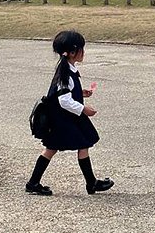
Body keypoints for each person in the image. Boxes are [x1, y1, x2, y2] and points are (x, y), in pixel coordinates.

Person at [25, 30, 114, 197]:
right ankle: (34, 183)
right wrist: (84, 109)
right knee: (56, 148)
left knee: (77, 145)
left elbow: (67, 94)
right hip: (63, 120)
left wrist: (82, 93)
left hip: (65, 118)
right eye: (81, 49)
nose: (84, 52)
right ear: (73, 52)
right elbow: (64, 101)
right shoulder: (65, 74)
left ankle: (90, 183)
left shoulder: (68, 68)